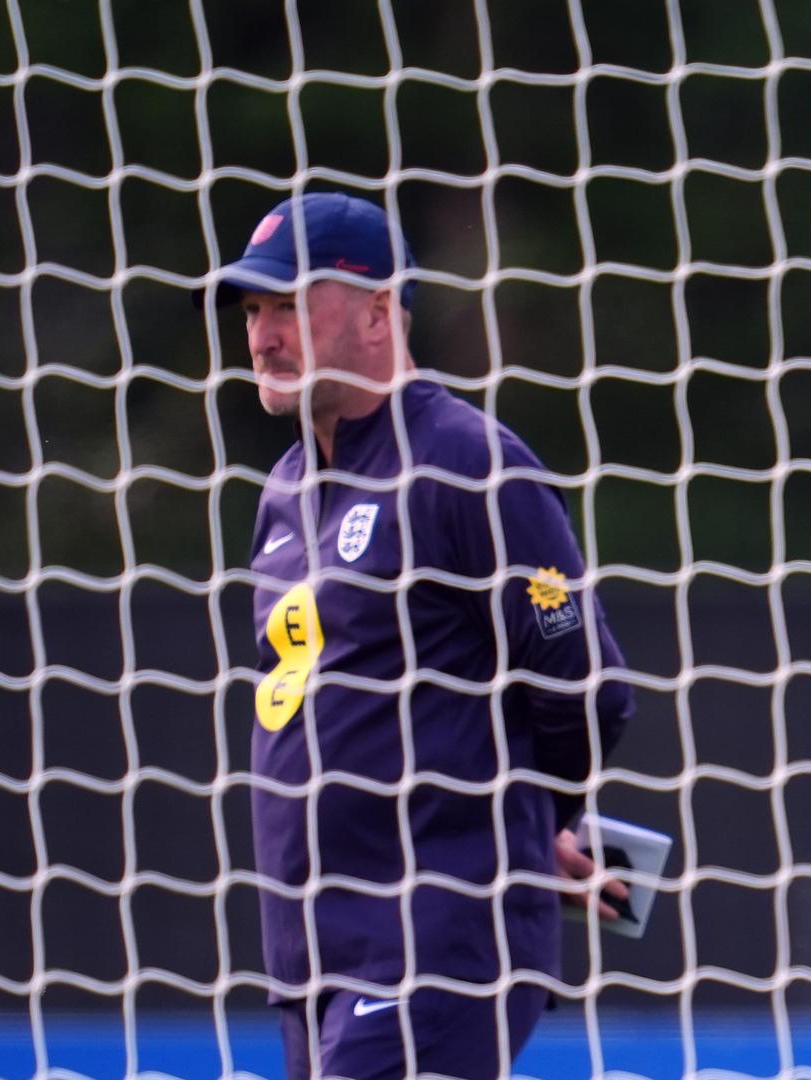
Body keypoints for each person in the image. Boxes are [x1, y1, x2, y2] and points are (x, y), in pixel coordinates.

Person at [196, 191, 636, 1078]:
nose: (261, 335)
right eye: (251, 310)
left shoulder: (466, 462)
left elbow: (585, 681)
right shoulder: (283, 493)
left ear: (376, 311)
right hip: (309, 957)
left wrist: (528, 822)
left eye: (287, 305)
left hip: (431, 940)